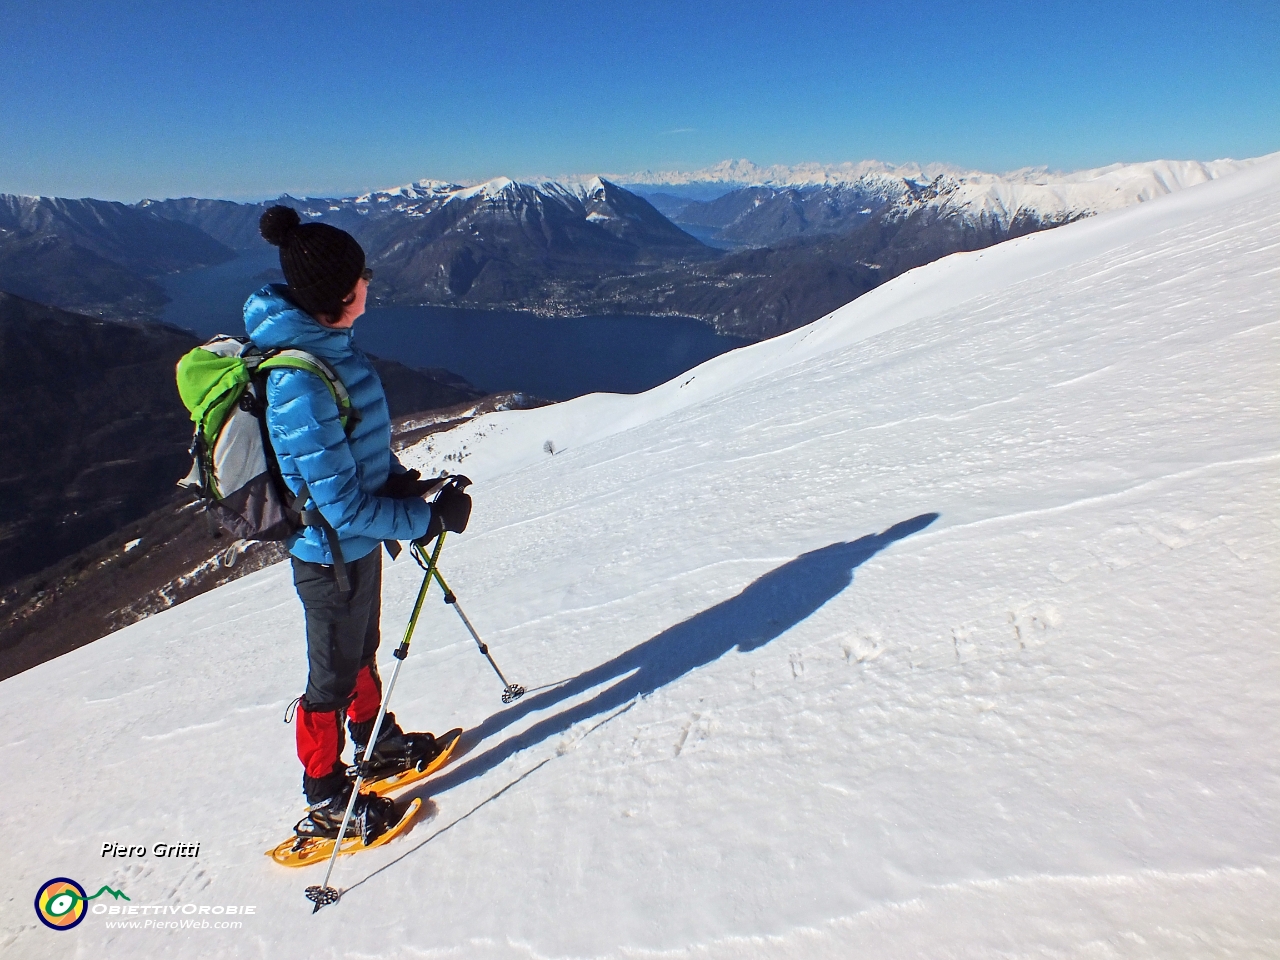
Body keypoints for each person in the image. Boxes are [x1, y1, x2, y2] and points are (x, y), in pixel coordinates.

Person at [249, 205, 471, 841]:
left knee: (360, 654)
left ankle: (373, 745)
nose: (371, 282)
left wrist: (404, 483)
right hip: (329, 555)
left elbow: (355, 453)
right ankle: (323, 797)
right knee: (329, 679)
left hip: (358, 544)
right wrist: (424, 519)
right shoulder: (300, 382)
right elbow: (338, 504)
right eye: (363, 276)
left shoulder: (329, 352)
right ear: (338, 299)